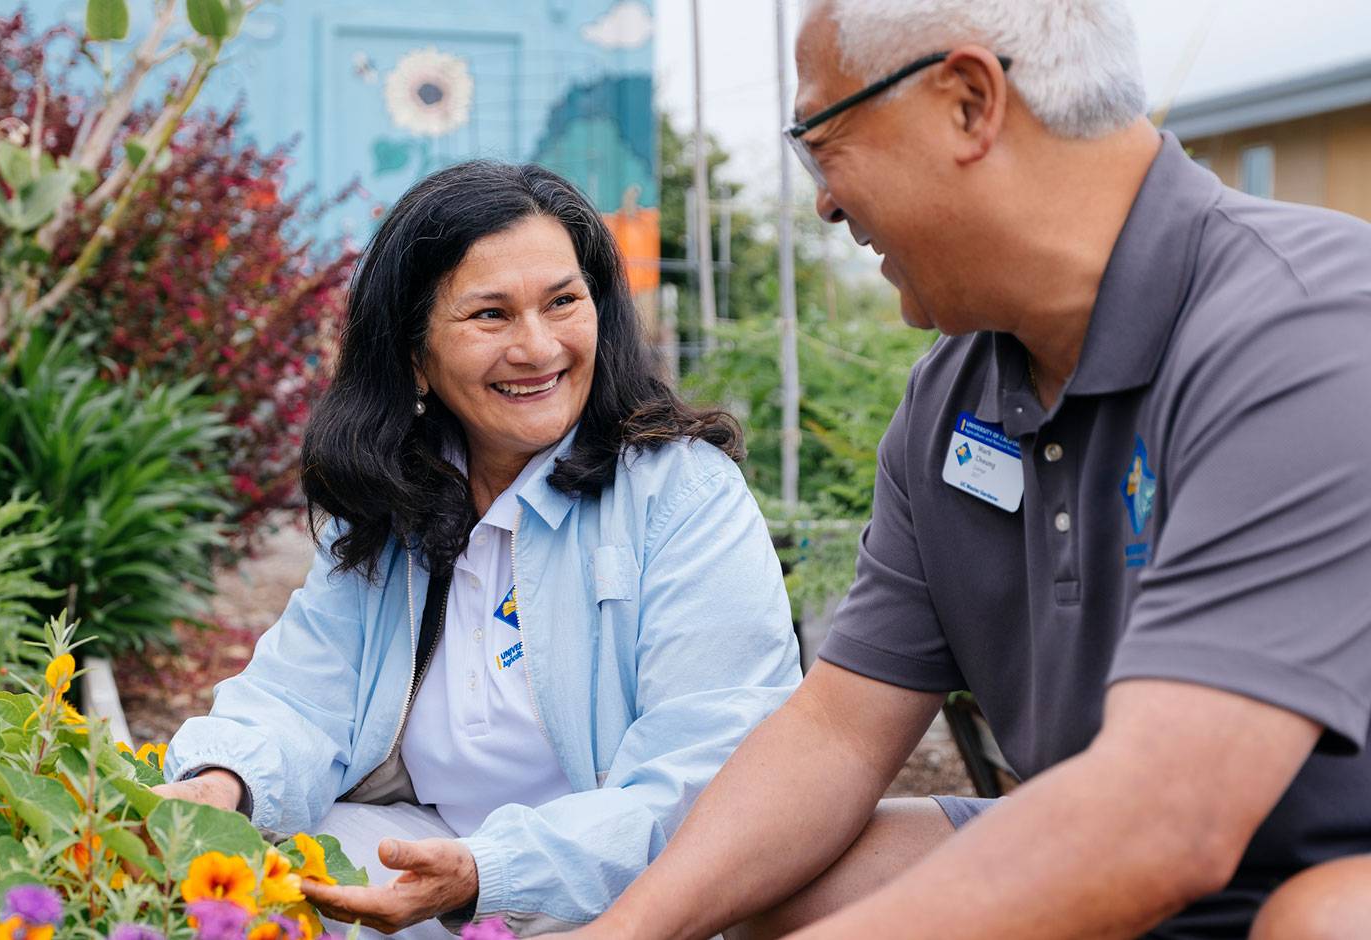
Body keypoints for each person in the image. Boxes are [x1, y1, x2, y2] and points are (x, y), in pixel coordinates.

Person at [556, 1, 1371, 937]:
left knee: (1329, 919)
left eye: (823, 139)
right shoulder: (955, 395)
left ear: (970, 102)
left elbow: (1167, 820)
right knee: (793, 879)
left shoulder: (1308, 328)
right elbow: (839, 729)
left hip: (1289, 865)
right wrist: (626, 930)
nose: (821, 198)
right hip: (1141, 853)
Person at [154, 160, 802, 937]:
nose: (538, 347)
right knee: (210, 904)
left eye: (564, 302)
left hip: (626, 897)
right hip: (429, 853)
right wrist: (222, 778)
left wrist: (490, 873)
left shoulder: (682, 496)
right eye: (490, 315)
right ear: (414, 355)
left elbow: (709, 778)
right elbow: (302, 694)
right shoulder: (398, 494)